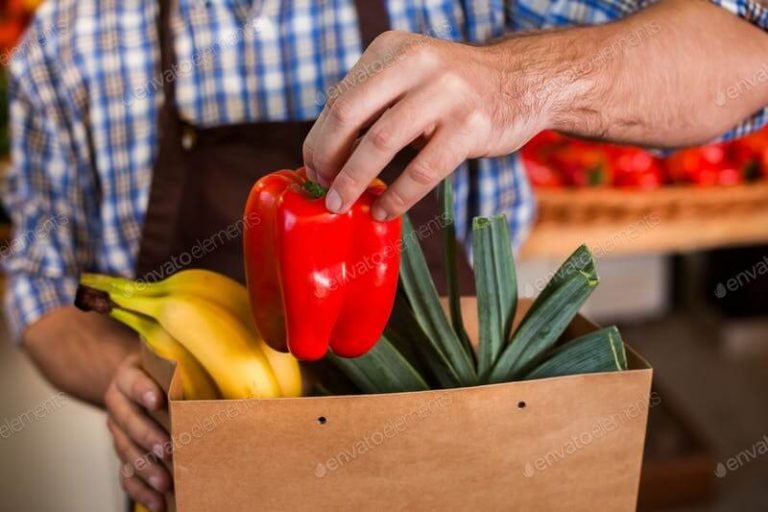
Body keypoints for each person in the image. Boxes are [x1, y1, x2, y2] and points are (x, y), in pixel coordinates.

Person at [4, 1, 767, 510]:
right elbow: (33, 283)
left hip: (465, 465)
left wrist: (519, 83)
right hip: (203, 477)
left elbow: (746, 59)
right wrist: (125, 383)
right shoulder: (67, 48)